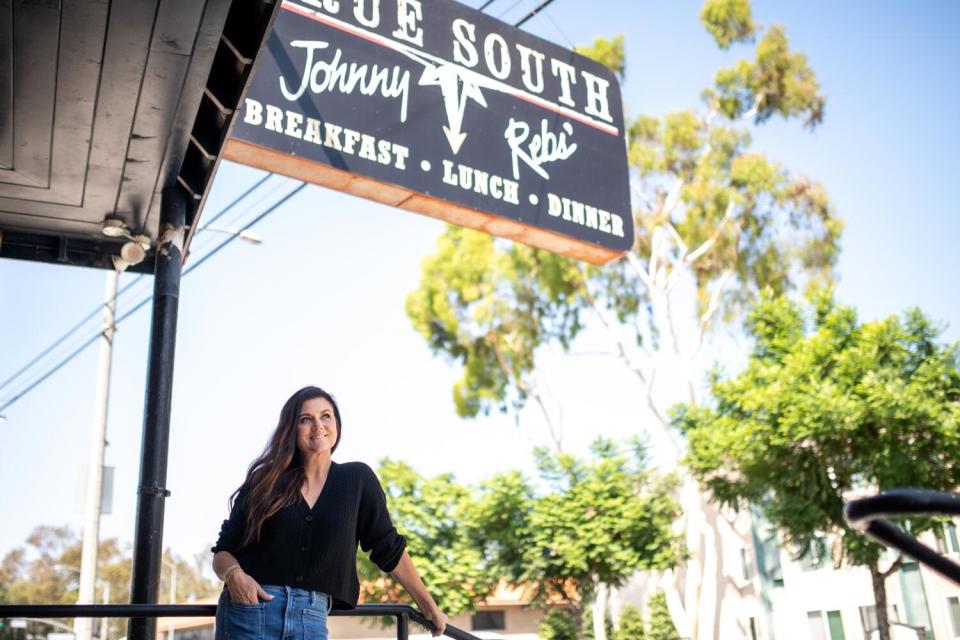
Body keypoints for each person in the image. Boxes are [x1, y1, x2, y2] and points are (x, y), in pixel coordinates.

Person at [211, 386, 448, 639]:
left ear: (337, 423)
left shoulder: (357, 479)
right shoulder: (265, 481)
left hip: (311, 616)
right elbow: (223, 551)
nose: (318, 426)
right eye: (306, 419)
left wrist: (429, 606)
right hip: (251, 611)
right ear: (292, 429)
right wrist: (235, 577)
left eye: (326, 416)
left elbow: (388, 548)